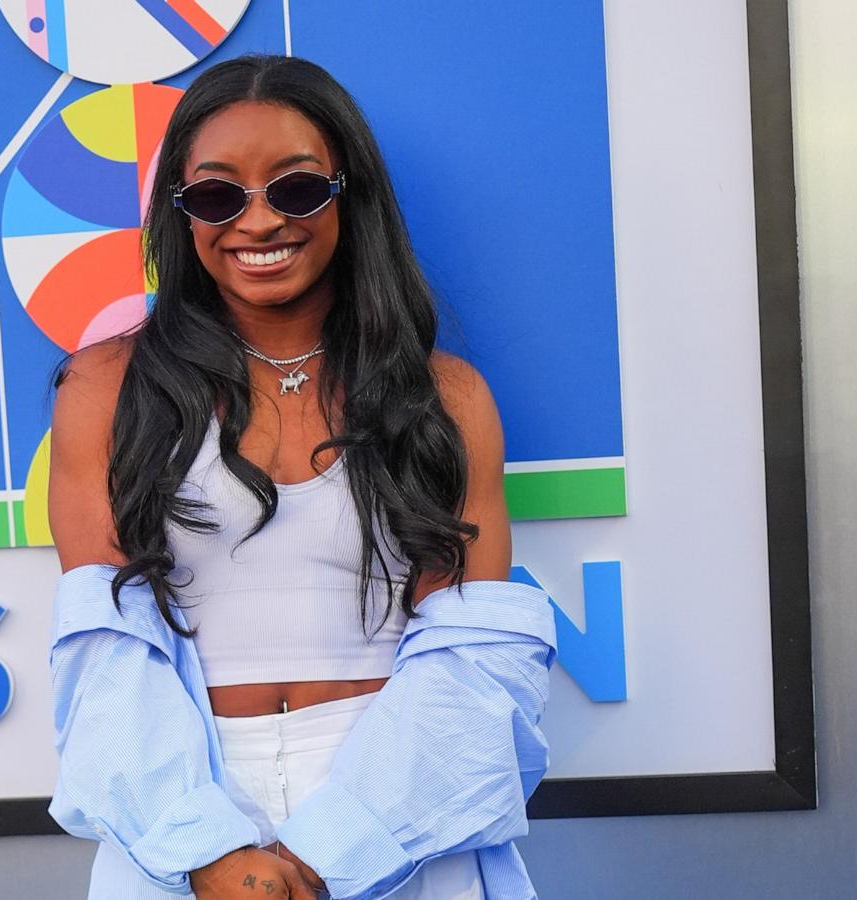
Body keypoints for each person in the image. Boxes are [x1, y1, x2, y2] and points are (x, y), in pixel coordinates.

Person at [45, 54, 558, 899]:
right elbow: (105, 652)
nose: (257, 222)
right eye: (217, 195)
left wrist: (334, 848)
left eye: (294, 189)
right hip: (180, 810)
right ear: (180, 213)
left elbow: (472, 660)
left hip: (400, 811)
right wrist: (207, 850)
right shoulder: (104, 388)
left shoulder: (445, 398)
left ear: (347, 195)